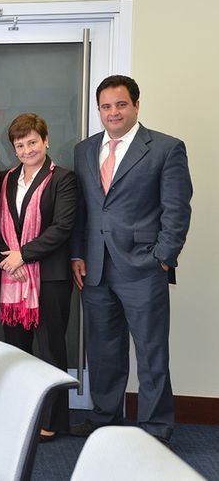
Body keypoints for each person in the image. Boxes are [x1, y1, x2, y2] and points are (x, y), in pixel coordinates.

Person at [70, 75, 192, 443]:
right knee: (104, 350)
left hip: (144, 268)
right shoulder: (84, 149)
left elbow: (177, 209)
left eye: (121, 105)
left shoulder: (166, 148)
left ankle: (155, 428)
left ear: (136, 105)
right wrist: (77, 253)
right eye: (106, 106)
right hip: (95, 267)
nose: (113, 112)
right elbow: (82, 210)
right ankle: (105, 417)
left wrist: (164, 258)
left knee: (152, 353)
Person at [0, 113, 77, 441]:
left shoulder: (63, 180)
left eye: (32, 142)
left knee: (51, 350)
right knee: (17, 352)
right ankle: (21, 416)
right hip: (11, 278)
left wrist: (23, 255)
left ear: (46, 140)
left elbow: (62, 228)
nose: (27, 149)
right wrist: (9, 260)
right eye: (20, 144)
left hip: (50, 279)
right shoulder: (4, 179)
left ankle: (54, 421)